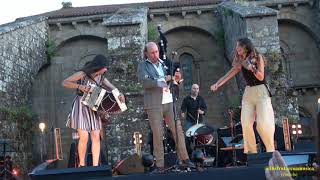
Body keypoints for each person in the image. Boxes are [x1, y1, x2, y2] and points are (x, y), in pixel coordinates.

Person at [210, 37, 275, 154]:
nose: (236, 48)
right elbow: (230, 73)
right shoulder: (240, 60)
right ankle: (251, 152)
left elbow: (261, 77)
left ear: (245, 47)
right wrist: (218, 84)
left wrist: (252, 68)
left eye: (238, 46)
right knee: (245, 123)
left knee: (262, 124)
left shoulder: (257, 57)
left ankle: (270, 150)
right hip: (249, 92)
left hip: (261, 91)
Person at [137, 42, 194, 171]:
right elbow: (144, 82)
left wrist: (176, 79)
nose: (155, 54)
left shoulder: (163, 64)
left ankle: (185, 159)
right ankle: (160, 165)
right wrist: (160, 81)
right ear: (146, 53)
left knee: (178, 131)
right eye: (152, 52)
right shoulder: (143, 66)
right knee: (158, 134)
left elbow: (172, 80)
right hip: (154, 104)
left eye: (156, 51)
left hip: (169, 101)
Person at [62, 54, 125, 167]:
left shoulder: (101, 77)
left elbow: (112, 87)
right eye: (105, 67)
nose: (106, 69)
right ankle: (82, 165)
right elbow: (65, 82)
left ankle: (95, 167)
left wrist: (119, 93)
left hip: (93, 106)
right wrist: (79, 87)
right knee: (84, 136)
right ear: (99, 66)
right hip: (81, 105)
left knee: (96, 135)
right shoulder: (83, 74)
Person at [180, 84, 207, 154]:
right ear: (191, 89)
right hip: (189, 121)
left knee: (200, 137)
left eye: (197, 89)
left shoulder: (201, 99)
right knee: (188, 137)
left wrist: (202, 112)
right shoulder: (186, 99)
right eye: (194, 88)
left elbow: (205, 108)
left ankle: (200, 153)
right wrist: (182, 113)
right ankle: (188, 153)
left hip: (199, 121)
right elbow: (183, 108)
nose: (196, 90)